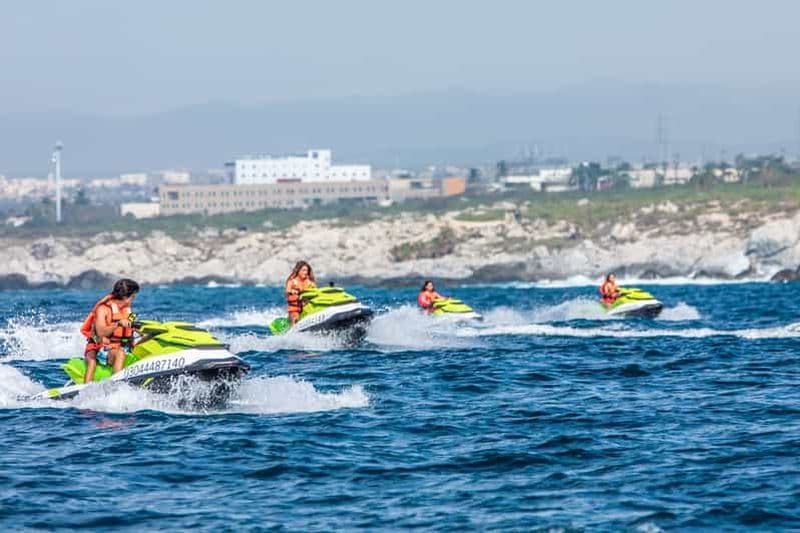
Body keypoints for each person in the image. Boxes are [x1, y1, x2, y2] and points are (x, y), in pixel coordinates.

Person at [80, 278, 140, 383]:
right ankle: (116, 387)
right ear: (126, 297)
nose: (133, 299)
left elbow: (131, 329)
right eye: (133, 296)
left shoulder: (126, 310)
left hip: (123, 345)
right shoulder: (103, 309)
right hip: (102, 350)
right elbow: (101, 333)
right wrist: (118, 324)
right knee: (120, 354)